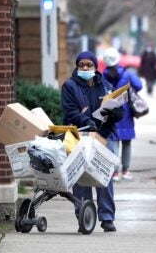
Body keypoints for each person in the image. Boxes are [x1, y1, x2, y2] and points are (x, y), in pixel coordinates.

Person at [61, 51, 125, 232]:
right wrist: (86, 121)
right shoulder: (70, 86)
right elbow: (70, 111)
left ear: (96, 67)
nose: (85, 68)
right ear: (77, 66)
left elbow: (120, 111)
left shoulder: (106, 86)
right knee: (81, 177)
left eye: (89, 65)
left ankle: (107, 218)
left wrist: (115, 113)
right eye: (82, 65)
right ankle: (84, 216)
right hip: (80, 135)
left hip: (103, 136)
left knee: (104, 176)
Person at [103, 47, 143, 181]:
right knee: (127, 143)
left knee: (113, 143)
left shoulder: (103, 75)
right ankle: (126, 170)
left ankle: (114, 172)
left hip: (111, 113)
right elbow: (139, 85)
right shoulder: (127, 74)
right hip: (125, 113)